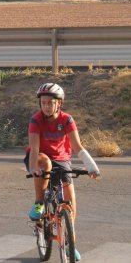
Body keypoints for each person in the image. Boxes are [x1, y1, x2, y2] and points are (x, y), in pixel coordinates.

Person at [25, 82, 100, 261]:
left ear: (59, 103)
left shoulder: (67, 120)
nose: (46, 107)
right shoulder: (36, 120)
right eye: (43, 103)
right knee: (45, 164)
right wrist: (34, 167)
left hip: (62, 159)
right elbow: (34, 148)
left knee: (71, 202)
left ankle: (69, 244)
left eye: (50, 103)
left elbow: (77, 146)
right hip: (39, 157)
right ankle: (39, 204)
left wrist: (91, 167)